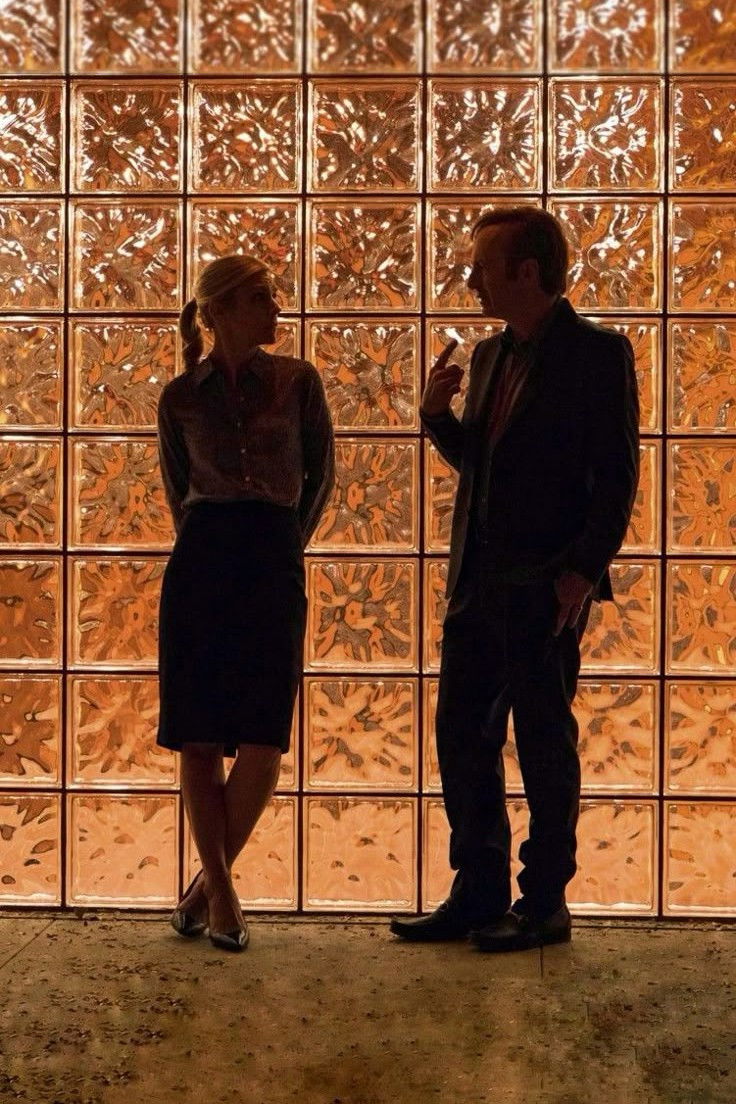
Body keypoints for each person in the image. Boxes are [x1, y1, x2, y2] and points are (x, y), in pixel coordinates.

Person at [391, 208, 639, 952]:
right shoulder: (491, 355)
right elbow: (485, 465)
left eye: (483, 268)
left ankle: (543, 904)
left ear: (527, 272)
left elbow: (617, 477)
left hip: (545, 587)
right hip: (477, 582)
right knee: (462, 738)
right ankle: (478, 894)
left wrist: (581, 573)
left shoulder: (597, 355)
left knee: (542, 744)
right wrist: (437, 418)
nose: (471, 281)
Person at [157, 254, 334, 952]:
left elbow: (321, 475)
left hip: (272, 554)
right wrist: (220, 541)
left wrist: (285, 541)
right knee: (197, 733)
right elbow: (179, 491)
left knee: (265, 735)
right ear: (221, 312)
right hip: (202, 560)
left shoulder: (298, 381)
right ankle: (224, 896)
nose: (276, 308)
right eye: (260, 297)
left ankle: (204, 888)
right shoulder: (180, 397)